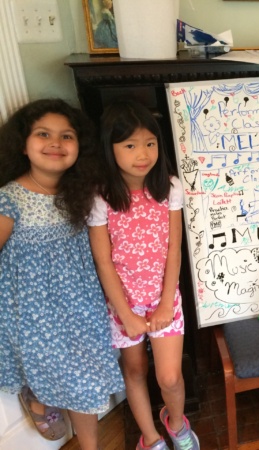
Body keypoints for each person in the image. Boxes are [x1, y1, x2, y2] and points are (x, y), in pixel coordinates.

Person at [0, 99, 124, 450]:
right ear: (23, 145)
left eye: (66, 136)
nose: (56, 143)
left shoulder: (83, 193)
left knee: (85, 381)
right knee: (50, 370)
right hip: (35, 315)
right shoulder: (10, 199)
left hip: (82, 307)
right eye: (43, 134)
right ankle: (38, 397)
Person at [88, 100, 199, 450]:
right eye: (130, 145)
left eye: (150, 143)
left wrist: (166, 303)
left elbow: (174, 250)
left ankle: (177, 423)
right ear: (111, 148)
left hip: (164, 297)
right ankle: (150, 438)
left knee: (169, 377)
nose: (143, 153)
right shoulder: (101, 197)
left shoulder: (169, 187)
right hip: (123, 304)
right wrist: (125, 314)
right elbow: (103, 262)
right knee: (135, 371)